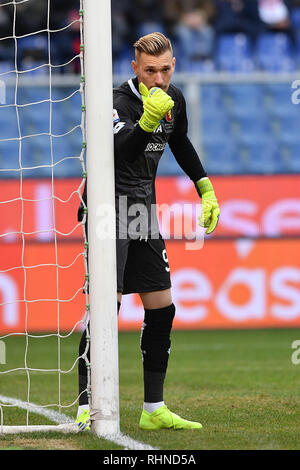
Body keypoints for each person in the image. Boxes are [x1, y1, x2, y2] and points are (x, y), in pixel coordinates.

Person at [76, 32, 220, 431]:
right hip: (107, 210)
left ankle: (153, 408)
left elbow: (181, 142)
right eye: (150, 70)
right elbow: (120, 151)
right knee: (107, 307)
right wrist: (147, 120)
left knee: (162, 306)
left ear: (173, 65)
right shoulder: (115, 102)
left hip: (142, 211)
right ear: (135, 68)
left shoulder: (174, 97)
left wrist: (204, 187)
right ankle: (87, 404)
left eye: (166, 69)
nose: (159, 78)